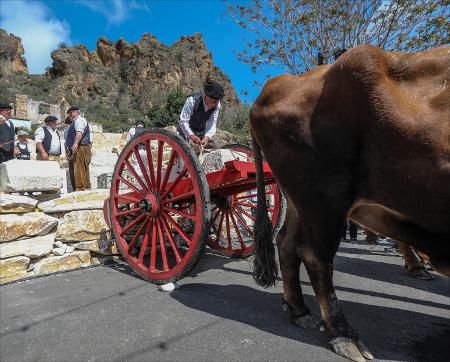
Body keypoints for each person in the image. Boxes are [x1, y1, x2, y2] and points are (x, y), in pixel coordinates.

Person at [178, 80, 224, 149]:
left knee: (211, 147)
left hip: (201, 130)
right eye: (213, 101)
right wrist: (191, 135)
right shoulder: (192, 100)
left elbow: (212, 123)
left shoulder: (217, 105)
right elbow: (183, 121)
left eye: (217, 101)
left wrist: (207, 137)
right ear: (205, 95)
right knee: (182, 148)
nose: (215, 103)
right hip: (185, 128)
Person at [65, 106, 92, 191]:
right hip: (79, 147)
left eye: (71, 113)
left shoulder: (79, 120)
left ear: (77, 112)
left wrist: (76, 143)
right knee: (80, 167)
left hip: (81, 146)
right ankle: (84, 187)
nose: (70, 115)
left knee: (79, 167)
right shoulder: (75, 122)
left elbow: (79, 132)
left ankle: (81, 188)